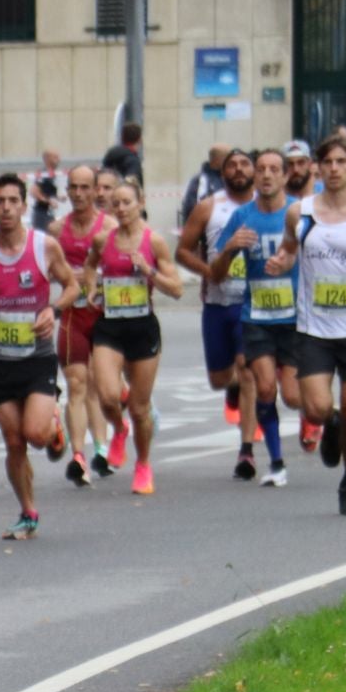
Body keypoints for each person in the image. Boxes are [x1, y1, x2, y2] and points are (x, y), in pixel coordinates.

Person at [266, 134, 346, 516]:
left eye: (342, 162)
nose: (335, 169)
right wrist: (280, 264)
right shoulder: (300, 213)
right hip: (314, 328)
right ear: (317, 169)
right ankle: (332, 422)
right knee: (317, 407)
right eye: (328, 163)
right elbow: (289, 251)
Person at [0, 173, 80, 540]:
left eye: (14, 201)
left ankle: (54, 426)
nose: (7, 208)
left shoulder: (44, 247)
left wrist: (53, 311)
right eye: (0, 201)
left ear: (24, 207)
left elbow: (73, 285)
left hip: (37, 356)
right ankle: (28, 511)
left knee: (36, 435)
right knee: (13, 442)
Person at [82, 180, 184, 495]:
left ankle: (143, 463)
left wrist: (149, 272)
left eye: (128, 202)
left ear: (140, 203)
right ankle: (118, 428)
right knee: (107, 395)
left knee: (140, 408)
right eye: (117, 203)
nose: (122, 208)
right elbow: (89, 266)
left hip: (142, 327)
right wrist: (90, 289)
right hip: (110, 325)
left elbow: (177, 288)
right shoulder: (103, 240)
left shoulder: (154, 243)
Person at [219, 147, 305, 487]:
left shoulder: (298, 214)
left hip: (295, 318)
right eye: (261, 169)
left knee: (296, 398)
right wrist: (228, 249)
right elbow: (216, 272)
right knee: (265, 388)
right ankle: (277, 463)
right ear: (254, 176)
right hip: (256, 318)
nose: (267, 174)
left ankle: (325, 416)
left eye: (274, 169)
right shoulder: (241, 217)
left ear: (285, 176)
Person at [177, 149, 256, 464]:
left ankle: (246, 450)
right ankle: (232, 384)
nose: (238, 169)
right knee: (220, 379)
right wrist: (208, 272)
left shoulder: (266, 207)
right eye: (231, 166)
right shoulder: (209, 208)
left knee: (248, 369)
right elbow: (183, 251)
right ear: (221, 174)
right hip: (218, 303)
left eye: (244, 164)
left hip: (253, 305)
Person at [49, 164, 118, 484]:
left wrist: (94, 277)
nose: (78, 194)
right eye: (73, 187)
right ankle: (79, 456)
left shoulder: (110, 228)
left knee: (102, 389)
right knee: (77, 383)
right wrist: (68, 278)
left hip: (104, 315)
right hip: (73, 316)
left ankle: (102, 448)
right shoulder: (56, 230)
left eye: (84, 188)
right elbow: (45, 270)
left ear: (95, 191)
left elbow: (121, 268)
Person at [180, 144, 231, 225]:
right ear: (217, 160)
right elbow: (192, 209)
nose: (231, 162)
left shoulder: (229, 179)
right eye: (228, 158)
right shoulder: (200, 180)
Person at [30, 149, 63, 234]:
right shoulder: (43, 174)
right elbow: (34, 191)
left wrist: (58, 197)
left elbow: (46, 192)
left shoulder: (51, 175)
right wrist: (49, 202)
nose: (59, 160)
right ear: (47, 159)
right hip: (41, 214)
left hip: (49, 213)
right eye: (55, 157)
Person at [103, 121, 143, 186]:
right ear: (139, 140)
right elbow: (132, 182)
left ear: (122, 138)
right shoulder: (133, 161)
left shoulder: (111, 155)